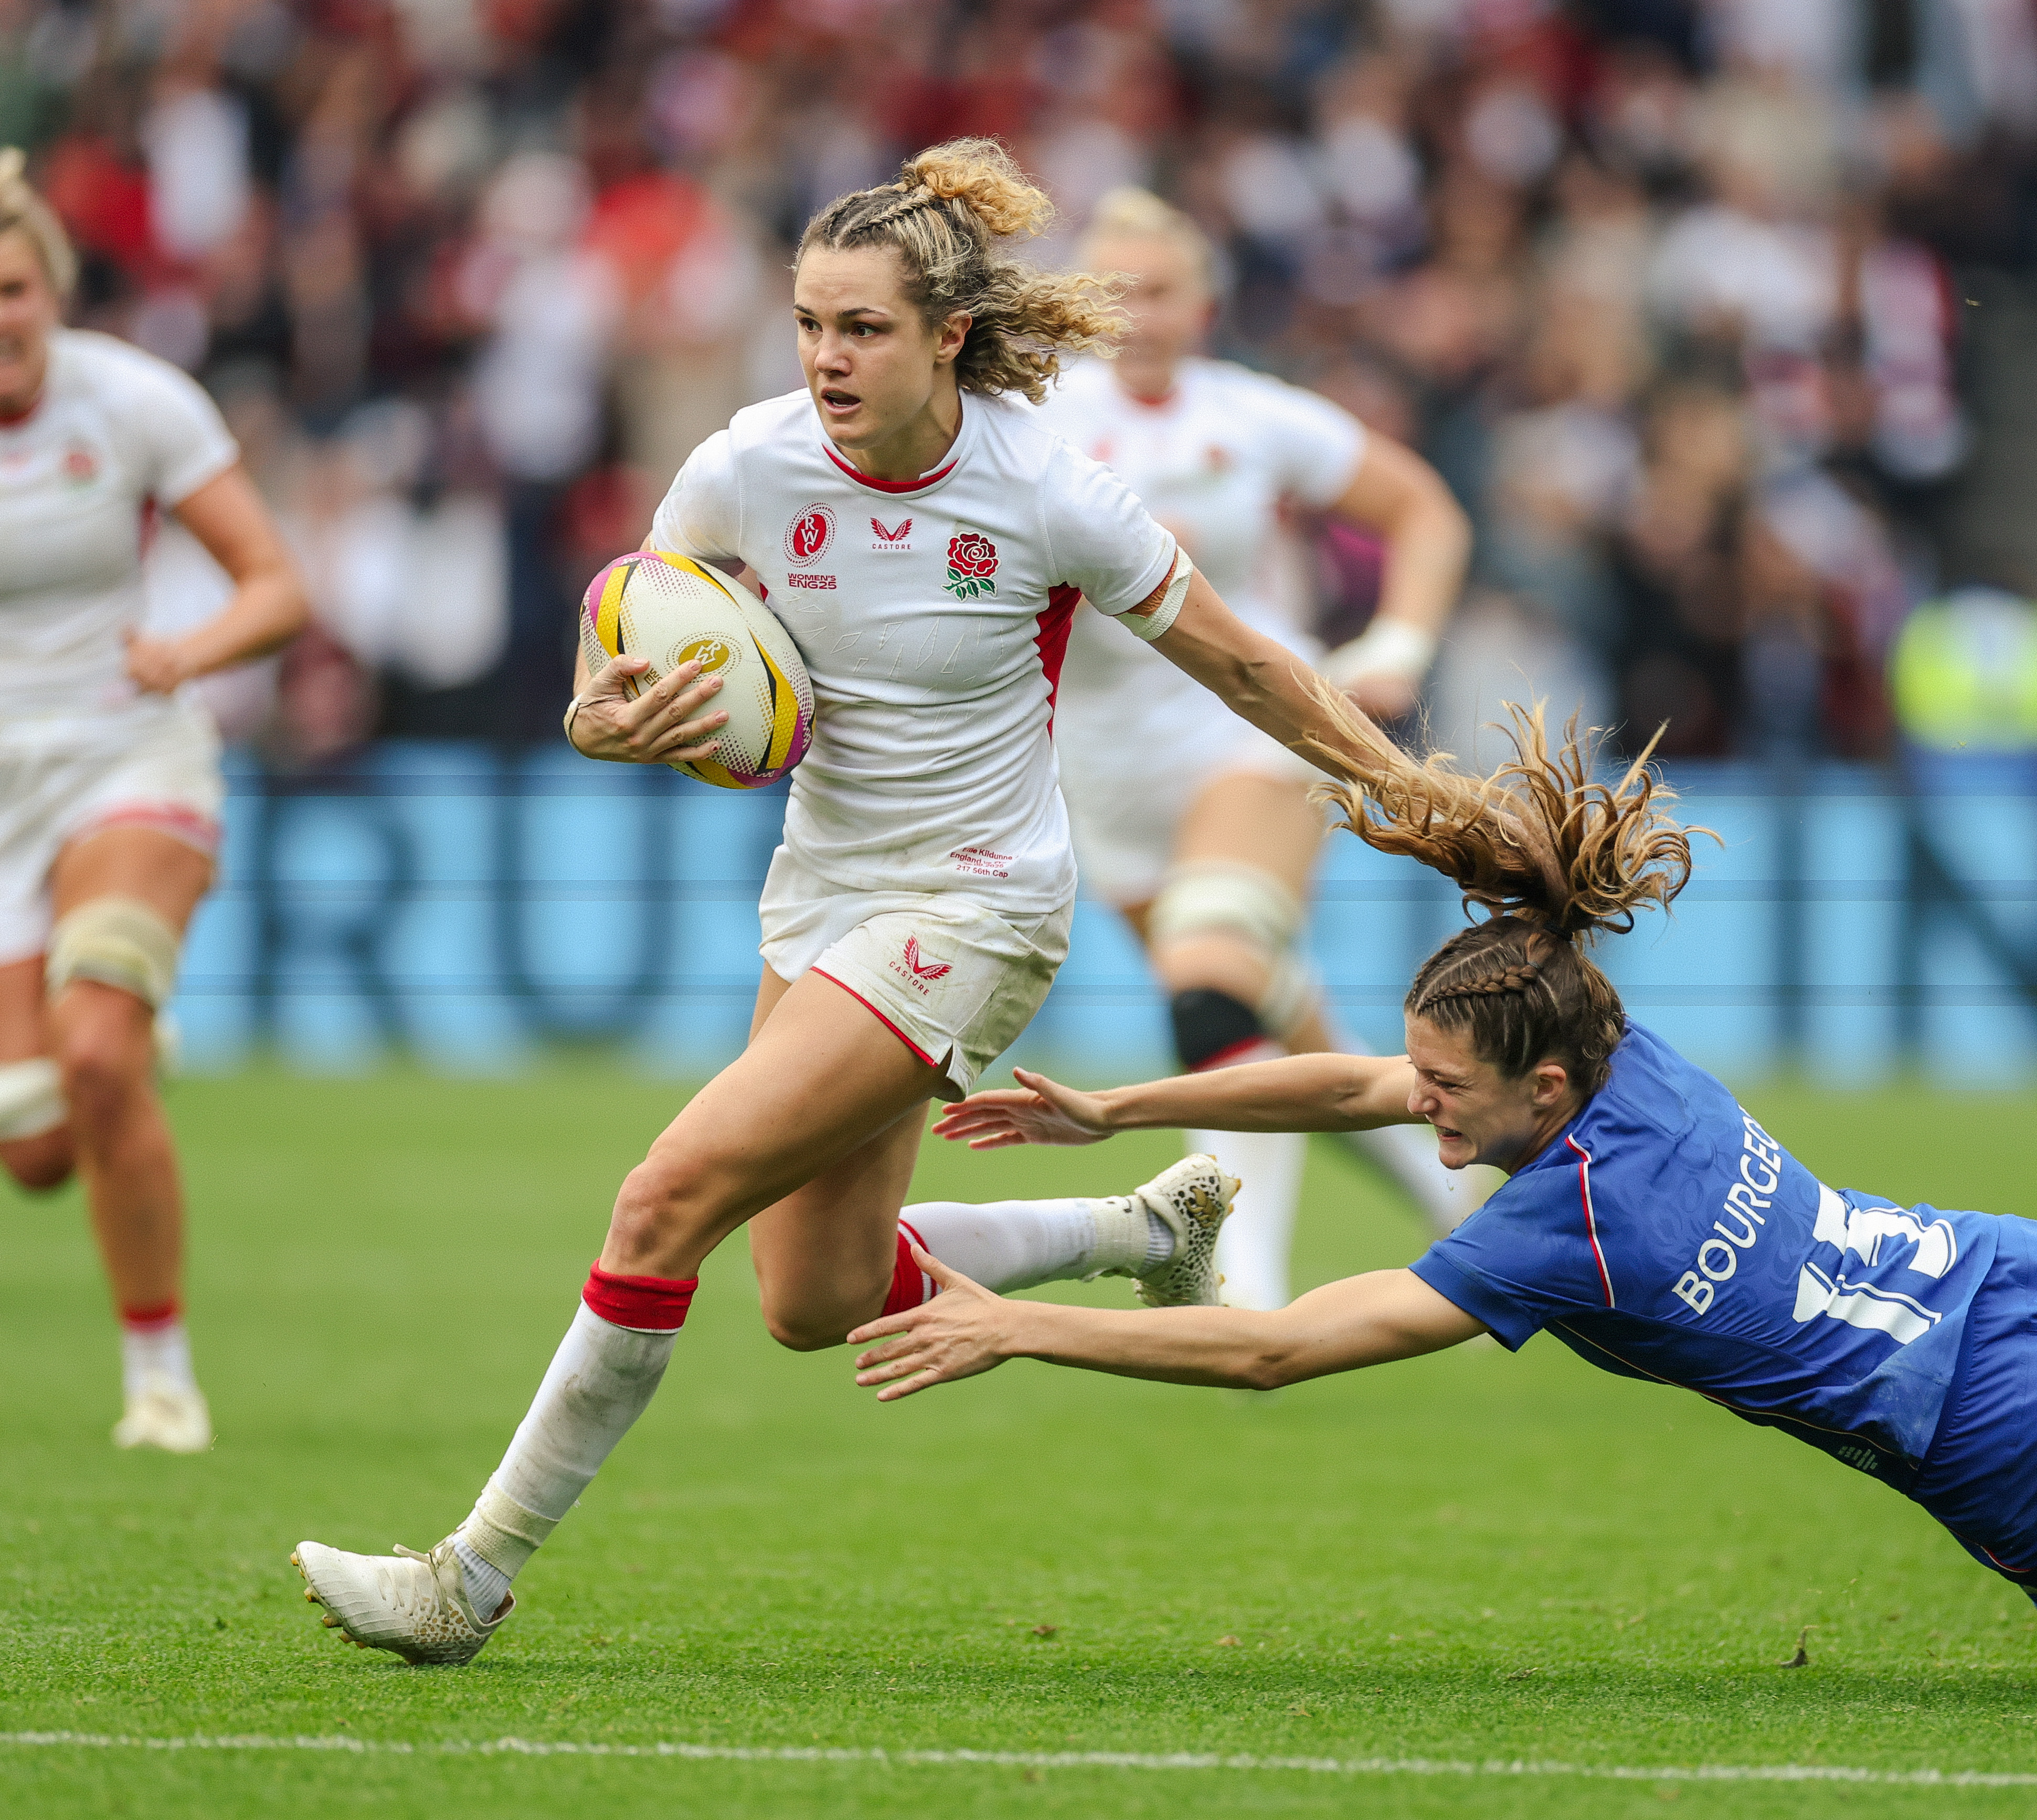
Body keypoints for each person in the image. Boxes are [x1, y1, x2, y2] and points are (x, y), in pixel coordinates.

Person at [873, 700, 2037, 1690]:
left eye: (1451, 1102)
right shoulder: (1615, 1043)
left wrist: (1013, 1321)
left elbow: (1281, 1353)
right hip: (2022, 1273)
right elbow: (1358, 1068)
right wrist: (1119, 1106)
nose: (1418, 1122)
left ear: (1536, 1087)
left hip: (1996, 1415)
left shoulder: (1557, 1223)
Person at [291, 140, 1413, 1665]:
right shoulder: (749, 460)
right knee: (812, 1296)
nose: (827, 355)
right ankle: (1137, 1220)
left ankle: (466, 1575)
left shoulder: (1045, 487)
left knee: (661, 1197)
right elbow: (625, 616)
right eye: (811, 322)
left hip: (979, 903)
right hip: (820, 888)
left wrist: (1426, 799)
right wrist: (595, 714)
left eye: (864, 327)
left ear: (947, 336)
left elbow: (1247, 661)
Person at [1035, 187, 1484, 1310]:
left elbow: (1423, 509)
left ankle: (1241, 1286)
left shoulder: (1251, 418)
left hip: (1252, 729)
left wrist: (1398, 641)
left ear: (1206, 301)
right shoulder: (1029, 418)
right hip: (1104, 768)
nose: (1138, 313)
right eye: (1113, 292)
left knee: (1209, 988)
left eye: (1160, 290)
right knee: (1258, 1014)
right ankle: (1450, 1193)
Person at [0, 151, 310, 1453]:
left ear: (52, 293)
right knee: (36, 1149)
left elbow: (274, 584)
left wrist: (190, 650)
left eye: (12, 289)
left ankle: (161, 1382)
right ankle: (99, 1021)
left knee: (96, 1057)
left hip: (129, 754)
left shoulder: (130, 402)